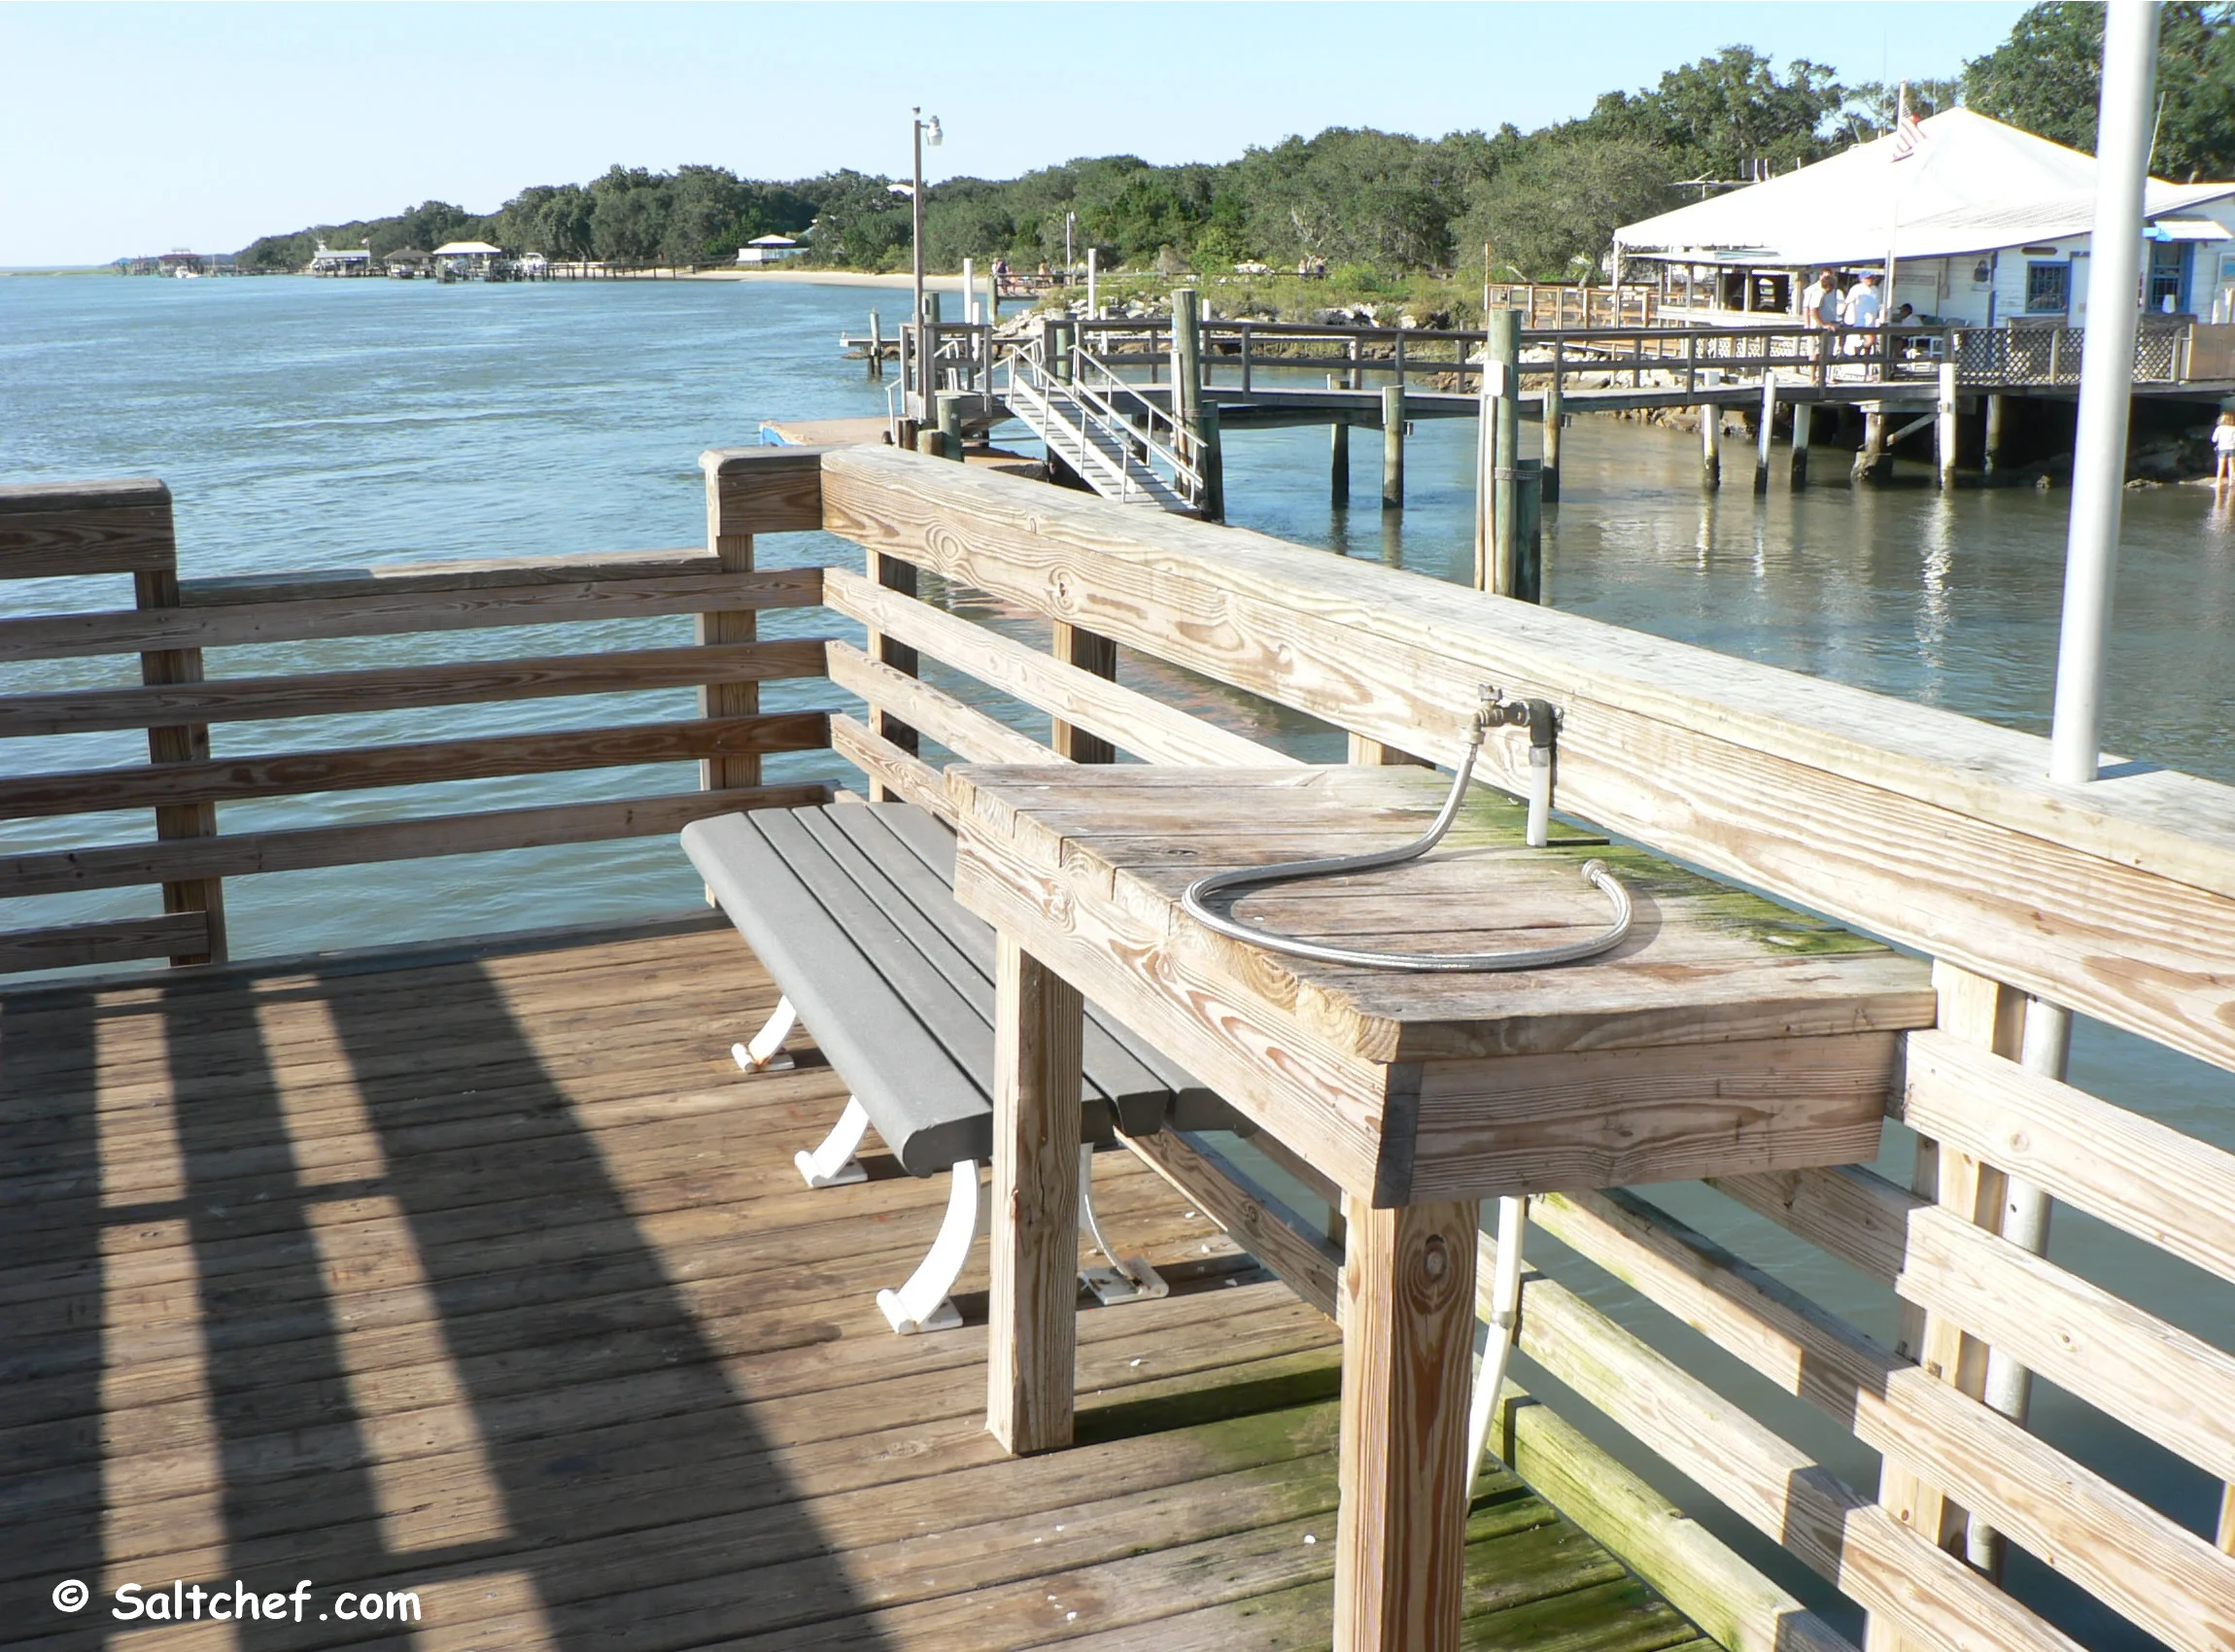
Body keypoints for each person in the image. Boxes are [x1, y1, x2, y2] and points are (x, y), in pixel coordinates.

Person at [2213, 410, 2235, 487]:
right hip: (2232, 448)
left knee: (2221, 466)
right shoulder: (2233, 428)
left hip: (2222, 448)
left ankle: (2218, 482)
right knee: (2231, 466)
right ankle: (2231, 482)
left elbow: (2214, 439)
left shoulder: (2219, 428)